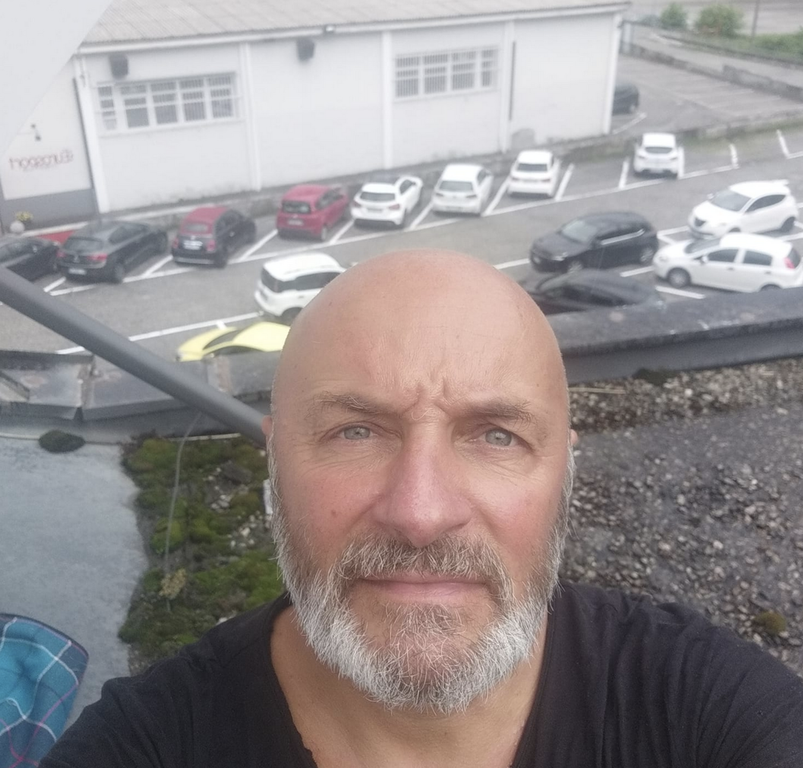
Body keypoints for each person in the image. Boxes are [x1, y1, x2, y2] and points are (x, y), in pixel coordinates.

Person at [42, 250, 803, 767]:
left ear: (563, 472)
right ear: (274, 463)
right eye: (355, 431)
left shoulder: (709, 711)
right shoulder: (143, 746)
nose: (420, 513)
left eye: (496, 435)